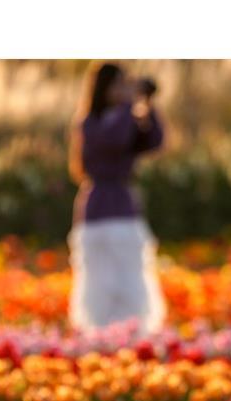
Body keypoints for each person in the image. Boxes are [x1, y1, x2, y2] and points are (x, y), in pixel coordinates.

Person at [67, 62, 166, 332]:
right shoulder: (90, 122)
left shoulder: (126, 118)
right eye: (119, 85)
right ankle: (98, 330)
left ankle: (132, 329)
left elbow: (154, 140)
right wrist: (129, 105)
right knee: (99, 276)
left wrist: (147, 104)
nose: (124, 90)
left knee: (129, 272)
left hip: (124, 206)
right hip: (98, 206)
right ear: (104, 88)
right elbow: (115, 139)